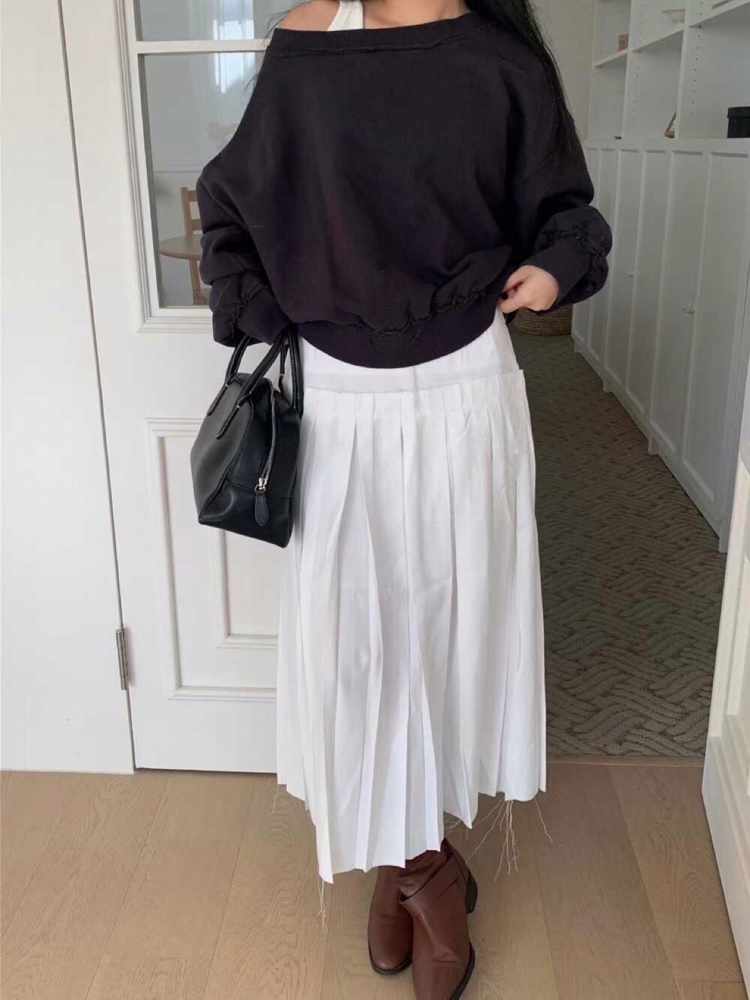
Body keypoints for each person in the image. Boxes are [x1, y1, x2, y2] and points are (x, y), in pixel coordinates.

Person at [196, 2, 612, 997]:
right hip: (339, 395)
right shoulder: (311, 36)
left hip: (468, 383)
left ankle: (410, 859)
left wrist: (554, 269)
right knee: (359, 646)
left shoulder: (500, 58)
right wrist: (258, 307)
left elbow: (565, 209)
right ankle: (426, 870)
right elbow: (230, 203)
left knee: (451, 632)